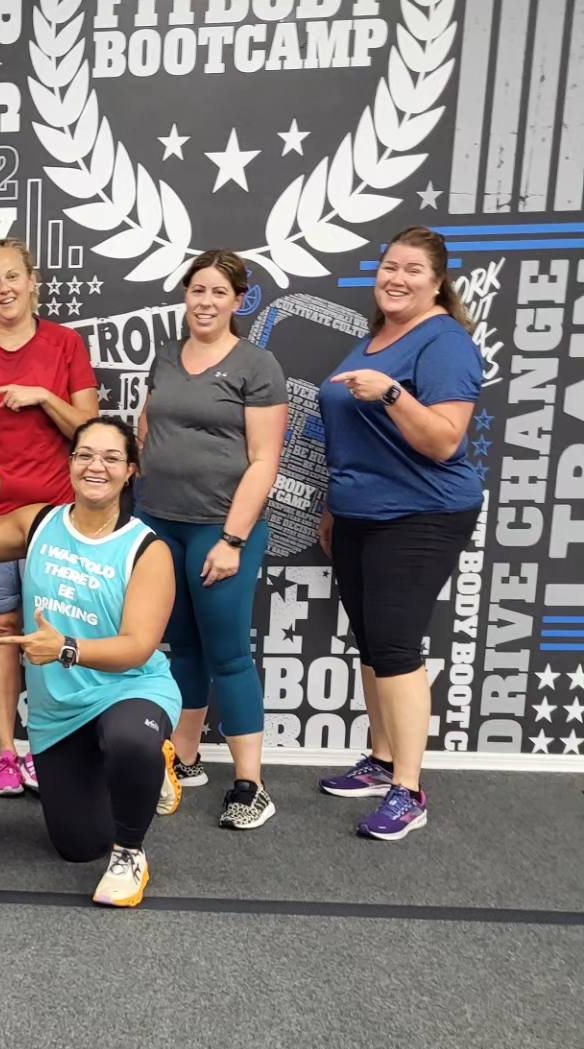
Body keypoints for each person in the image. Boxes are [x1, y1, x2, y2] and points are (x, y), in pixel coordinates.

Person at [0, 417, 182, 907]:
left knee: (130, 740)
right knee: (78, 847)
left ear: (130, 471)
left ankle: (130, 852)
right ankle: (139, 773)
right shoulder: (39, 523)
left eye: (111, 458)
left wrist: (66, 648)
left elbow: (138, 647)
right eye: (85, 455)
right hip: (59, 710)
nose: (96, 466)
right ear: (70, 463)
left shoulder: (146, 549)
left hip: (129, 688)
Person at [316, 225, 482, 841]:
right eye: (390, 266)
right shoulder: (377, 337)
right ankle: (382, 760)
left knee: (395, 647)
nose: (397, 278)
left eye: (413, 270)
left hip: (421, 513)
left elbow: (444, 441)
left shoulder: (444, 341)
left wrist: (390, 393)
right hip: (359, 513)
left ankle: (409, 791)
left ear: (436, 283)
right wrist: (336, 505)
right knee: (372, 643)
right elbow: (356, 438)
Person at [0, 237, 99, 797]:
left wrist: (42, 397)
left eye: (12, 277)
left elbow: (89, 432)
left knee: (53, 633)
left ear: (32, 282)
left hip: (52, 516)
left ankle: (49, 750)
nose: (3, 289)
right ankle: (6, 754)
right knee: (0, 628)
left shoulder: (65, 344)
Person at [136, 249, 288, 830]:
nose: (205, 302)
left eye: (219, 292)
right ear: (185, 294)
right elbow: (148, 425)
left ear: (239, 301)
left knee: (227, 653)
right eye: (197, 290)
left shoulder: (257, 365)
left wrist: (233, 538)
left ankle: (251, 785)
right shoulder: (166, 356)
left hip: (220, 528)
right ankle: (185, 757)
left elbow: (264, 460)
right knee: (181, 646)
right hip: (158, 522)